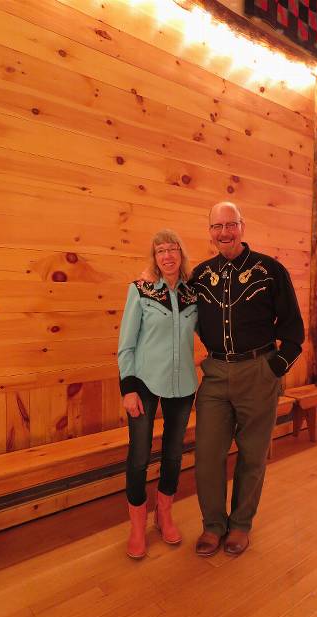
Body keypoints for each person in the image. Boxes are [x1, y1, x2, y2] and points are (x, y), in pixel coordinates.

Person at [190, 202, 304, 557]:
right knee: (208, 454)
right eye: (217, 226)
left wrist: (275, 367)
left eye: (231, 225)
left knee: (253, 454)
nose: (224, 232)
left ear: (242, 226)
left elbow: (294, 330)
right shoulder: (199, 275)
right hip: (215, 374)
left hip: (259, 371)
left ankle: (240, 525)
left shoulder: (270, 271)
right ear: (209, 231)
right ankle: (213, 526)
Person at [118, 230, 198, 559]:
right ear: (154, 257)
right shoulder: (140, 291)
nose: (167, 255)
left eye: (172, 249)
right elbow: (126, 345)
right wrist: (128, 389)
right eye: (160, 250)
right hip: (145, 385)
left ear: (181, 253)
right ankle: (137, 525)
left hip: (184, 386)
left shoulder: (195, 293)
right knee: (139, 457)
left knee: (174, 454)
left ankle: (163, 514)